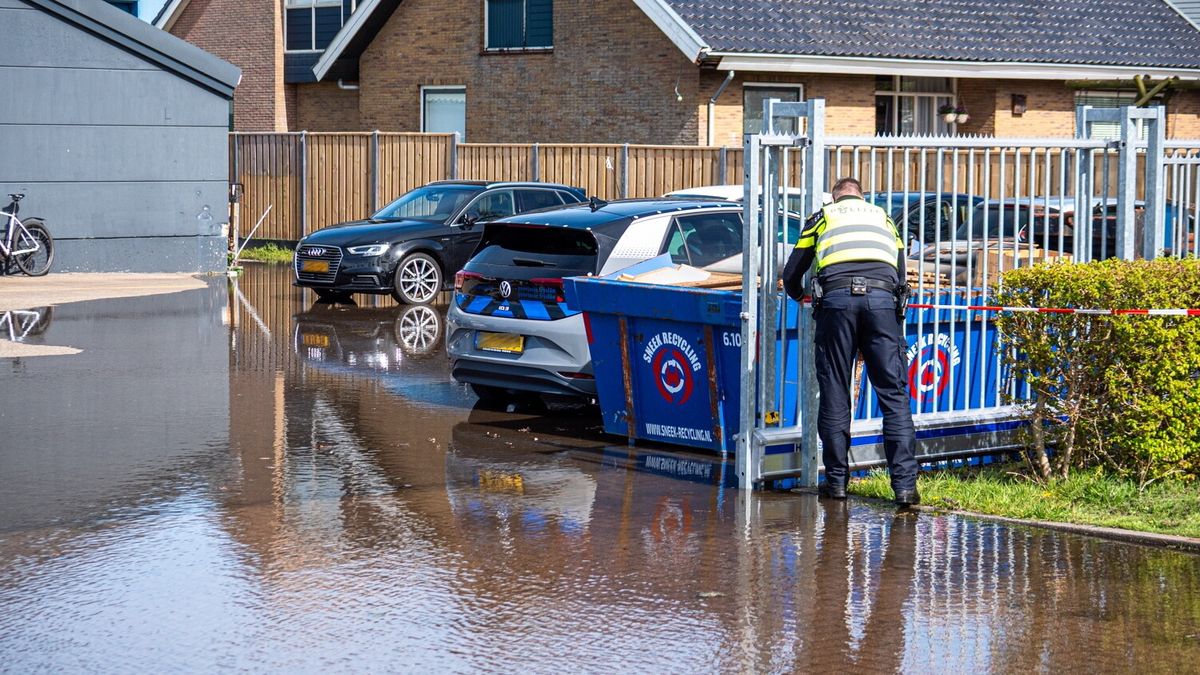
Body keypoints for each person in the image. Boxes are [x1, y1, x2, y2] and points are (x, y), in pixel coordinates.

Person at [781, 177, 919, 506]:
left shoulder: (823, 217)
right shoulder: (885, 219)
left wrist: (801, 296)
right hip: (882, 305)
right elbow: (901, 276)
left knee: (835, 392)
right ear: (861, 196)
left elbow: (791, 273)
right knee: (894, 396)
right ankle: (904, 488)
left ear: (835, 197)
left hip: (836, 304)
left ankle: (837, 484)